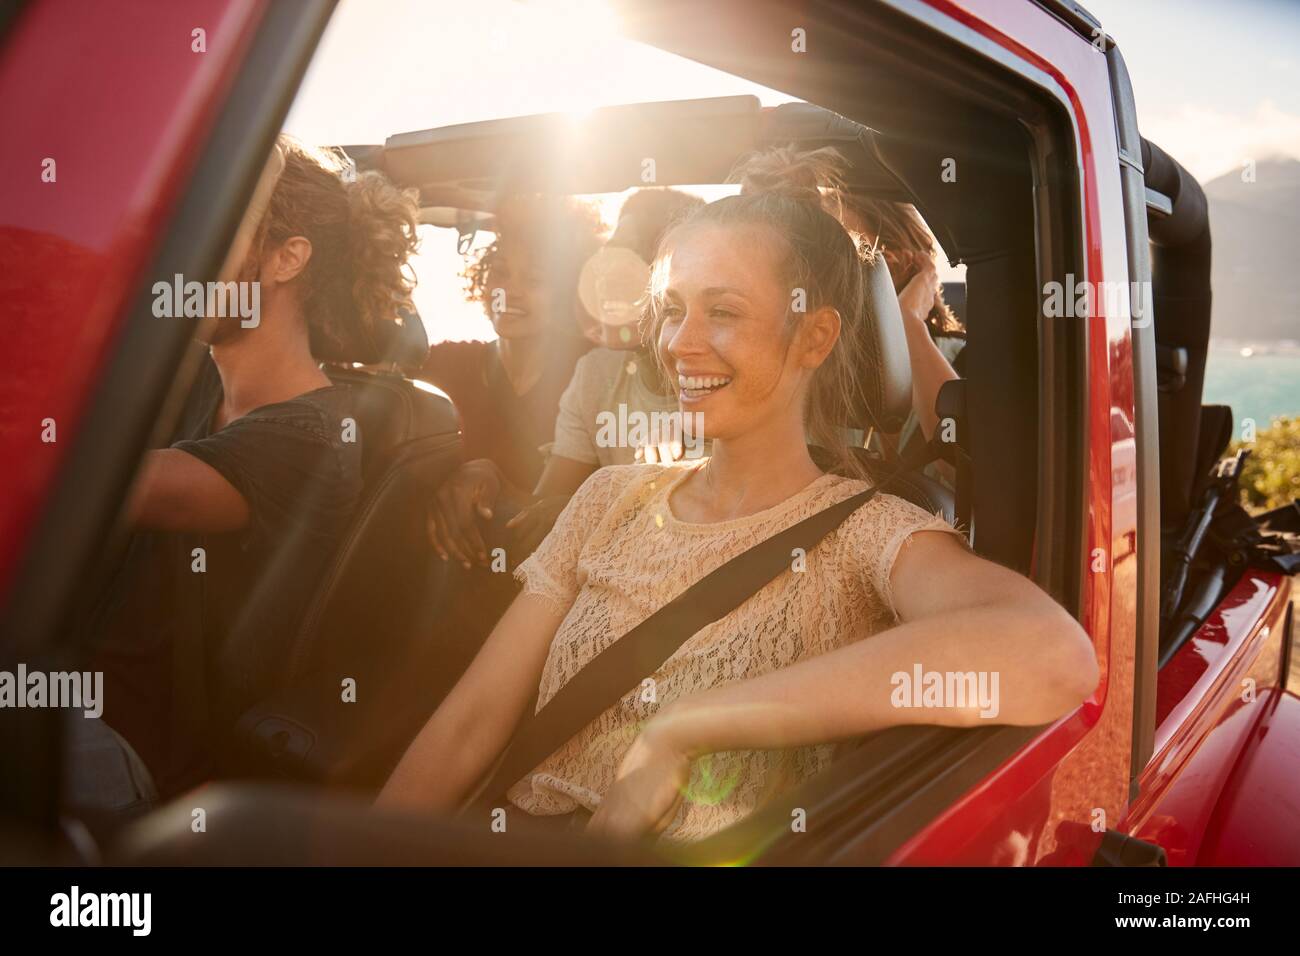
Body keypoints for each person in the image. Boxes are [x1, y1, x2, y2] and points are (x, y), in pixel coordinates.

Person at [377, 165, 1098, 843]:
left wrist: (690, 725)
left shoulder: (868, 532)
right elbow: (470, 724)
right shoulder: (610, 495)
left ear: (814, 336)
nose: (680, 344)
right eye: (672, 311)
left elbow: (1052, 655)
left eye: (721, 311)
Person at [84, 135, 421, 796]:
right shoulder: (197, 384)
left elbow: (106, 485)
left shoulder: (313, 435)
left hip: (145, 760)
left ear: (287, 258)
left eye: (213, 231)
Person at [428, 188, 704, 568]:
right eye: (606, 254)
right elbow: (540, 511)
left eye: (627, 259)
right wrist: (489, 475)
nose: (605, 272)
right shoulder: (595, 372)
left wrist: (584, 512)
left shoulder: (718, 381)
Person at [416, 194, 604, 502]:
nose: (509, 292)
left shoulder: (594, 372)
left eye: (533, 280)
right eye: (500, 272)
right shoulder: (443, 364)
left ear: (567, 289)